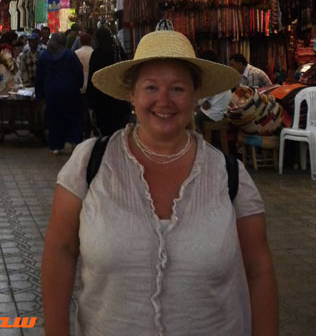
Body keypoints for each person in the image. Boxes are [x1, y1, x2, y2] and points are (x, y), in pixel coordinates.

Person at [41, 30, 278, 336]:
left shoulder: (230, 176)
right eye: (150, 87)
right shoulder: (90, 163)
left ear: (195, 97)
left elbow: (258, 270)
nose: (163, 101)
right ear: (132, 95)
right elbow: (59, 250)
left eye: (177, 89)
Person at [35, 32, 84, 154]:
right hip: (70, 91)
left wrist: (39, 93)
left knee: (54, 119)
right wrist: (79, 85)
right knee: (73, 116)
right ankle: (74, 141)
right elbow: (78, 71)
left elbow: (39, 76)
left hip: (51, 92)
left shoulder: (44, 56)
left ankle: (56, 145)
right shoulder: (69, 55)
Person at [86, 27, 130, 136]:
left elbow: (93, 76)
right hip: (118, 94)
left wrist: (90, 97)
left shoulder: (97, 54)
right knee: (119, 126)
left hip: (102, 96)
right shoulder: (118, 50)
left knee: (106, 127)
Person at [194, 49, 232, 128]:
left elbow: (206, 103)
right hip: (222, 110)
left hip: (214, 112)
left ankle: (198, 138)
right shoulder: (220, 73)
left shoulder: (213, 76)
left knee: (192, 118)